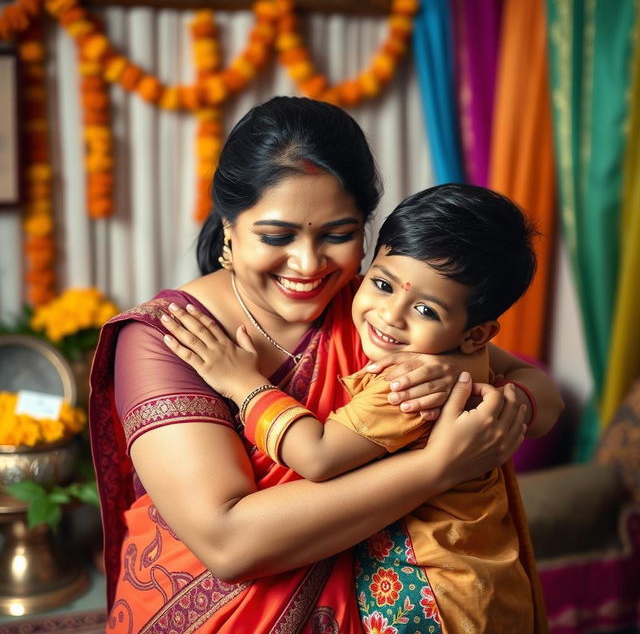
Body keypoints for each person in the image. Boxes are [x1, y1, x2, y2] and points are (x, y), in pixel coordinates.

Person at [90, 97, 563, 633]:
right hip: (216, 614)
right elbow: (229, 545)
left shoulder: (380, 311)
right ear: (229, 223)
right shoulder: (169, 338)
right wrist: (437, 468)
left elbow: (541, 394)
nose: (308, 264)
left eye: (337, 235)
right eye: (277, 236)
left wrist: (505, 402)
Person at [163, 183, 551, 633]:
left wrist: (240, 382)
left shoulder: (411, 383)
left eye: (425, 310)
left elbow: (318, 456)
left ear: (477, 334)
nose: (390, 315)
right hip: (483, 582)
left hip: (433, 602)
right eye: (382, 285)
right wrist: (515, 396)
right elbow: (544, 391)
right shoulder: (460, 356)